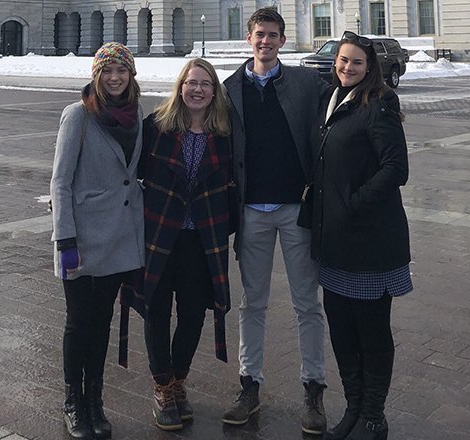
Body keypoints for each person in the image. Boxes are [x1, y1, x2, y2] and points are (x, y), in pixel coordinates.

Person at [221, 7, 332, 435]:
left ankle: (313, 389)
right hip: (252, 213)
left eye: (272, 35)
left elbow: (342, 104)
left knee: (308, 303)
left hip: (294, 210)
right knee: (253, 303)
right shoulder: (230, 88)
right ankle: (250, 385)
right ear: (249, 38)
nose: (265, 41)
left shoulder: (305, 83)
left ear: (282, 41)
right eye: (259, 34)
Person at [308, 31, 413, 440]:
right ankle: (353, 407)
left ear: (370, 68)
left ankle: (373, 414)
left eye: (355, 62)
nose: (346, 66)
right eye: (342, 60)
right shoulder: (332, 101)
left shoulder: (378, 105)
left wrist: (354, 203)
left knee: (371, 331)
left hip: (369, 239)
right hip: (334, 241)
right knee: (342, 330)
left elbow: (395, 168)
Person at [49, 42, 144, 440]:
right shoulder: (78, 116)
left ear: (131, 75)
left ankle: (95, 401)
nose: (115, 78)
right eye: (107, 71)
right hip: (83, 238)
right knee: (78, 322)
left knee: (102, 323)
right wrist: (65, 238)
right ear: (96, 75)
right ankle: (73, 400)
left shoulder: (136, 115)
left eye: (121, 70)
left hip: (119, 240)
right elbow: (60, 180)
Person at [137, 58, 233, 431]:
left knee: (193, 313)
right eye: (191, 83)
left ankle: (179, 380)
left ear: (214, 91)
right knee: (156, 309)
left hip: (201, 237)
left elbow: (235, 183)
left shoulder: (224, 134)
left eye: (205, 84)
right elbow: (132, 173)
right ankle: (162, 385)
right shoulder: (157, 127)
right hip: (161, 233)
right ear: (180, 87)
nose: (197, 90)